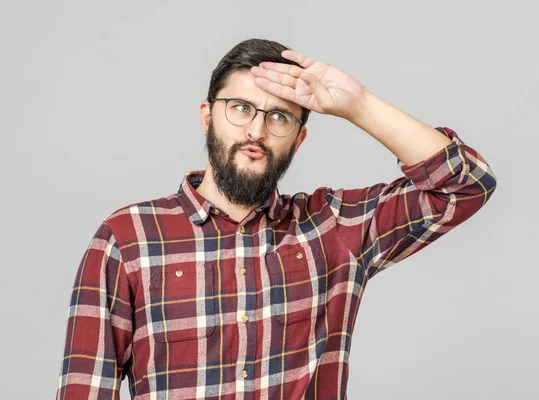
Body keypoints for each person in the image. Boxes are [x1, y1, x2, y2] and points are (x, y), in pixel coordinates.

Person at [56, 38, 497, 399]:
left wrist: (358, 105)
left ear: (299, 140)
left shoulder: (333, 229)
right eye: (241, 108)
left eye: (279, 117)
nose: (257, 131)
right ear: (207, 116)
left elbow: (467, 185)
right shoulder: (127, 239)